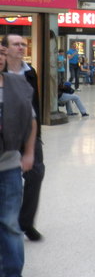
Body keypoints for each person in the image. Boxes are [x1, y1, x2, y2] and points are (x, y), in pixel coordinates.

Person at [2, 34, 45, 242]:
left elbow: (33, 105)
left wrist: (37, 135)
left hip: (28, 131)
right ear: (6, 49)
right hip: (5, 134)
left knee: (36, 173)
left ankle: (25, 222)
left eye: (23, 44)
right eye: (15, 44)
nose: (20, 48)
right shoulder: (2, 72)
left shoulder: (30, 73)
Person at [0, 42, 37, 277]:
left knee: (10, 225)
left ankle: (12, 273)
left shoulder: (16, 83)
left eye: (1, 53)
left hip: (9, 166)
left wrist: (30, 152)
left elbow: (31, 120)